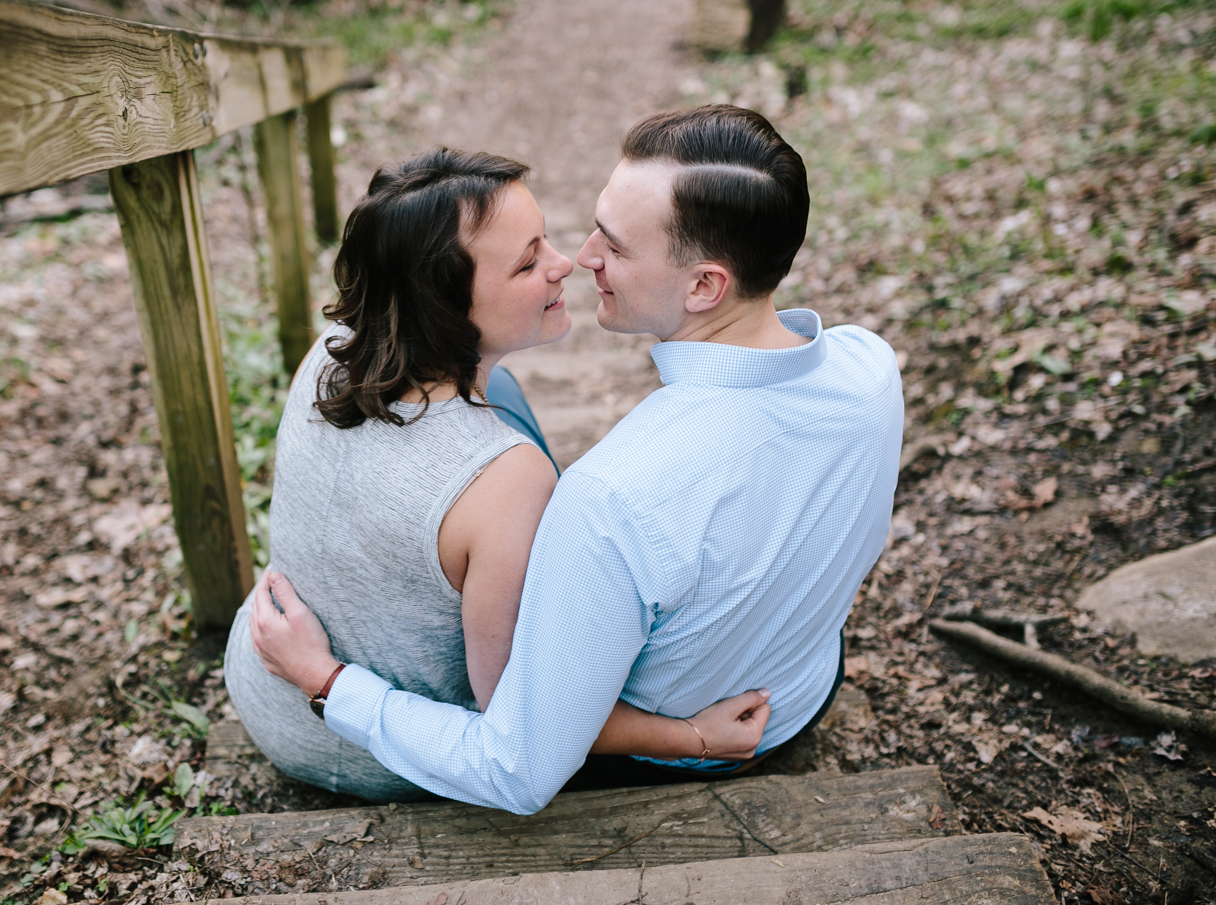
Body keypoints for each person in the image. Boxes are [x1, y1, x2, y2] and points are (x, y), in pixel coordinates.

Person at [249, 104, 906, 814]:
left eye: (616, 247)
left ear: (704, 287)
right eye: (545, 252)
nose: (581, 256)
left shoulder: (609, 501)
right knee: (500, 399)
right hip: (805, 678)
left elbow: (517, 762)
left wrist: (328, 682)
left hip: (695, 741)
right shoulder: (869, 365)